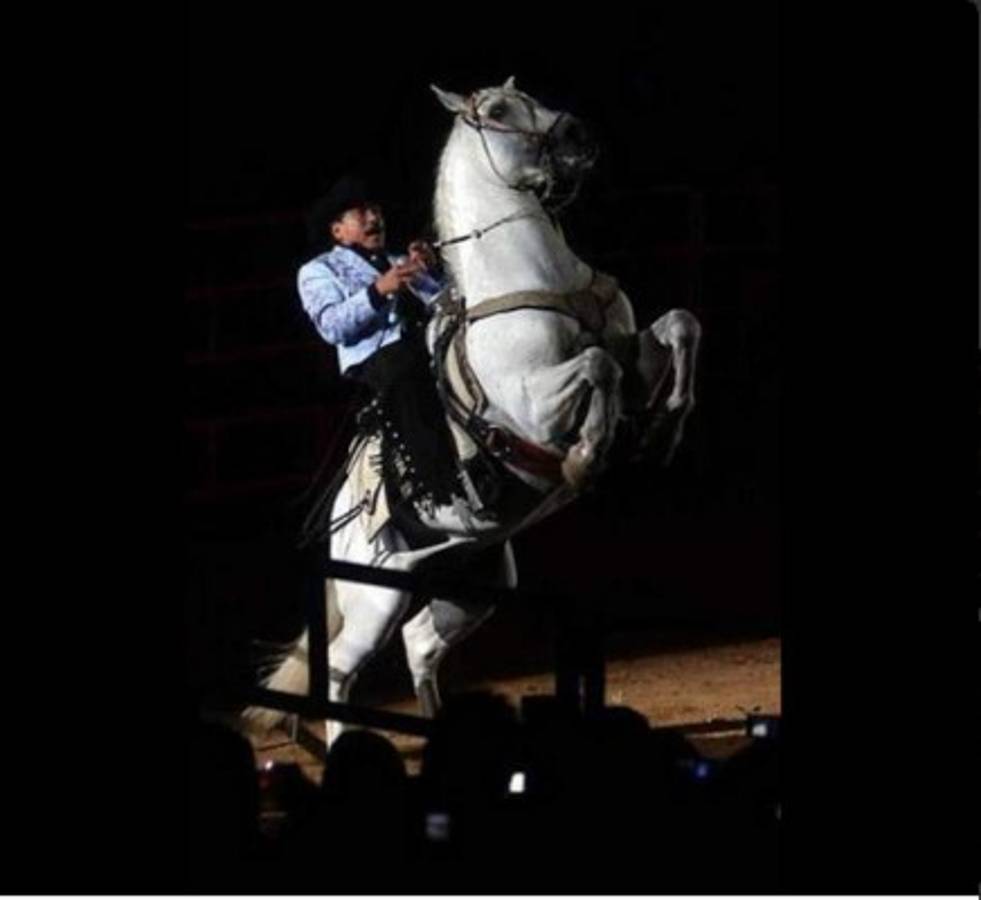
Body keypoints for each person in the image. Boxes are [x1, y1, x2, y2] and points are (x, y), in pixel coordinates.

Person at [297, 175, 459, 514]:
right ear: (338, 230)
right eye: (361, 213)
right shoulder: (318, 270)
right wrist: (376, 291)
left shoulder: (400, 260)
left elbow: (448, 302)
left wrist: (436, 271)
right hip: (377, 358)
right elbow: (332, 326)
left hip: (428, 342)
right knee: (404, 367)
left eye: (375, 210)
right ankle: (439, 489)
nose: (374, 218)